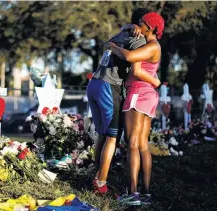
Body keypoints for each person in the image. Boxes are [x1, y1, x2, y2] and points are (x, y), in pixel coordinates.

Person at [87, 8, 161, 196]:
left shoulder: (128, 35)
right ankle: (108, 184)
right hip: (119, 88)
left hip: (107, 85)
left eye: (143, 24)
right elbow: (136, 65)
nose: (141, 27)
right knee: (123, 139)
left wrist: (116, 41)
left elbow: (127, 60)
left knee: (114, 138)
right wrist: (155, 81)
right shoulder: (139, 38)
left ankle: (105, 181)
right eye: (141, 23)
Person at [106, 12, 165, 205]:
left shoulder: (150, 45)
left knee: (132, 144)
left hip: (138, 94)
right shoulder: (150, 44)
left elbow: (131, 59)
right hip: (146, 95)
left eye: (142, 23)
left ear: (150, 27)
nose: (138, 25)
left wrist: (113, 47)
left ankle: (133, 193)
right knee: (142, 145)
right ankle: (145, 193)